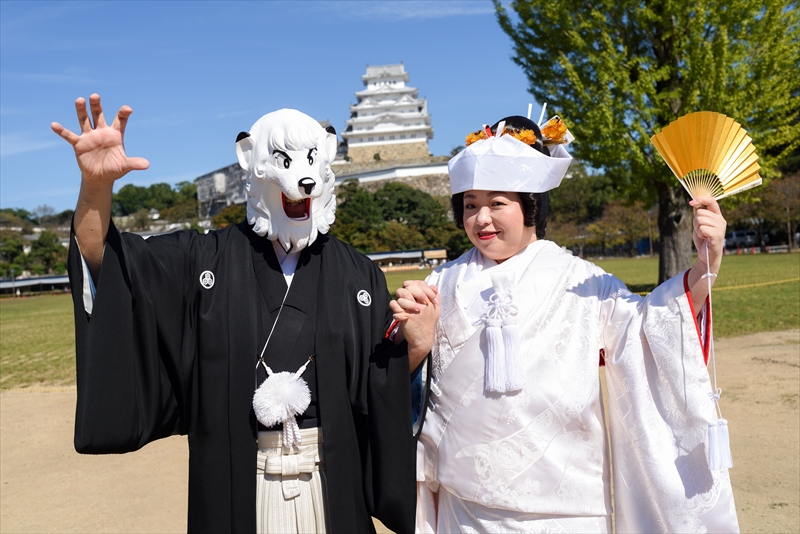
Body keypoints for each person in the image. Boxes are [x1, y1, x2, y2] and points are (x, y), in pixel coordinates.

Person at [51, 94, 429, 533]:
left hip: (330, 481)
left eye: (311, 160)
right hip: (238, 482)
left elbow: (378, 389)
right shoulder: (203, 259)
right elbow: (109, 262)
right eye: (284, 161)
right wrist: (96, 188)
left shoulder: (358, 274)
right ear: (250, 160)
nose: (304, 179)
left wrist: (416, 345)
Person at [391, 115, 740, 533]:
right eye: (470, 205)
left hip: (566, 505)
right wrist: (415, 341)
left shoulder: (580, 280)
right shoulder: (440, 283)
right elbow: (399, 374)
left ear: (532, 205)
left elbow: (649, 329)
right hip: (462, 506)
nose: (481, 218)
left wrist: (706, 264)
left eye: (497, 203)